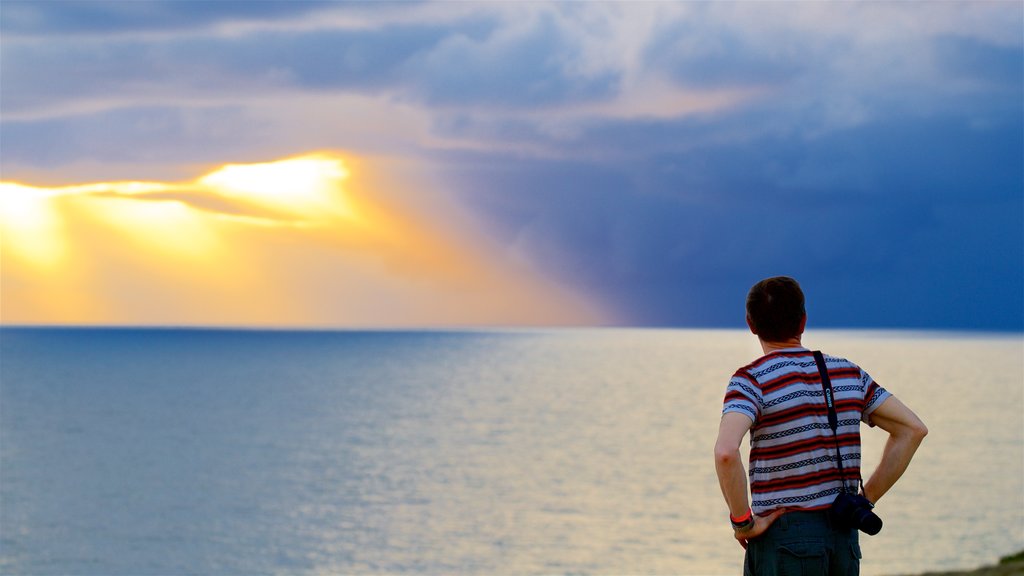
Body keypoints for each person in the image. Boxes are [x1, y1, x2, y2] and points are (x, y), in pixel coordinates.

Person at [714, 276, 928, 575]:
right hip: (843, 538)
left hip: (783, 541)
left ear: (750, 324)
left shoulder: (751, 381)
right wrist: (866, 499)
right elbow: (913, 429)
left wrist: (743, 522)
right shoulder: (848, 372)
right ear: (803, 321)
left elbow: (726, 452)